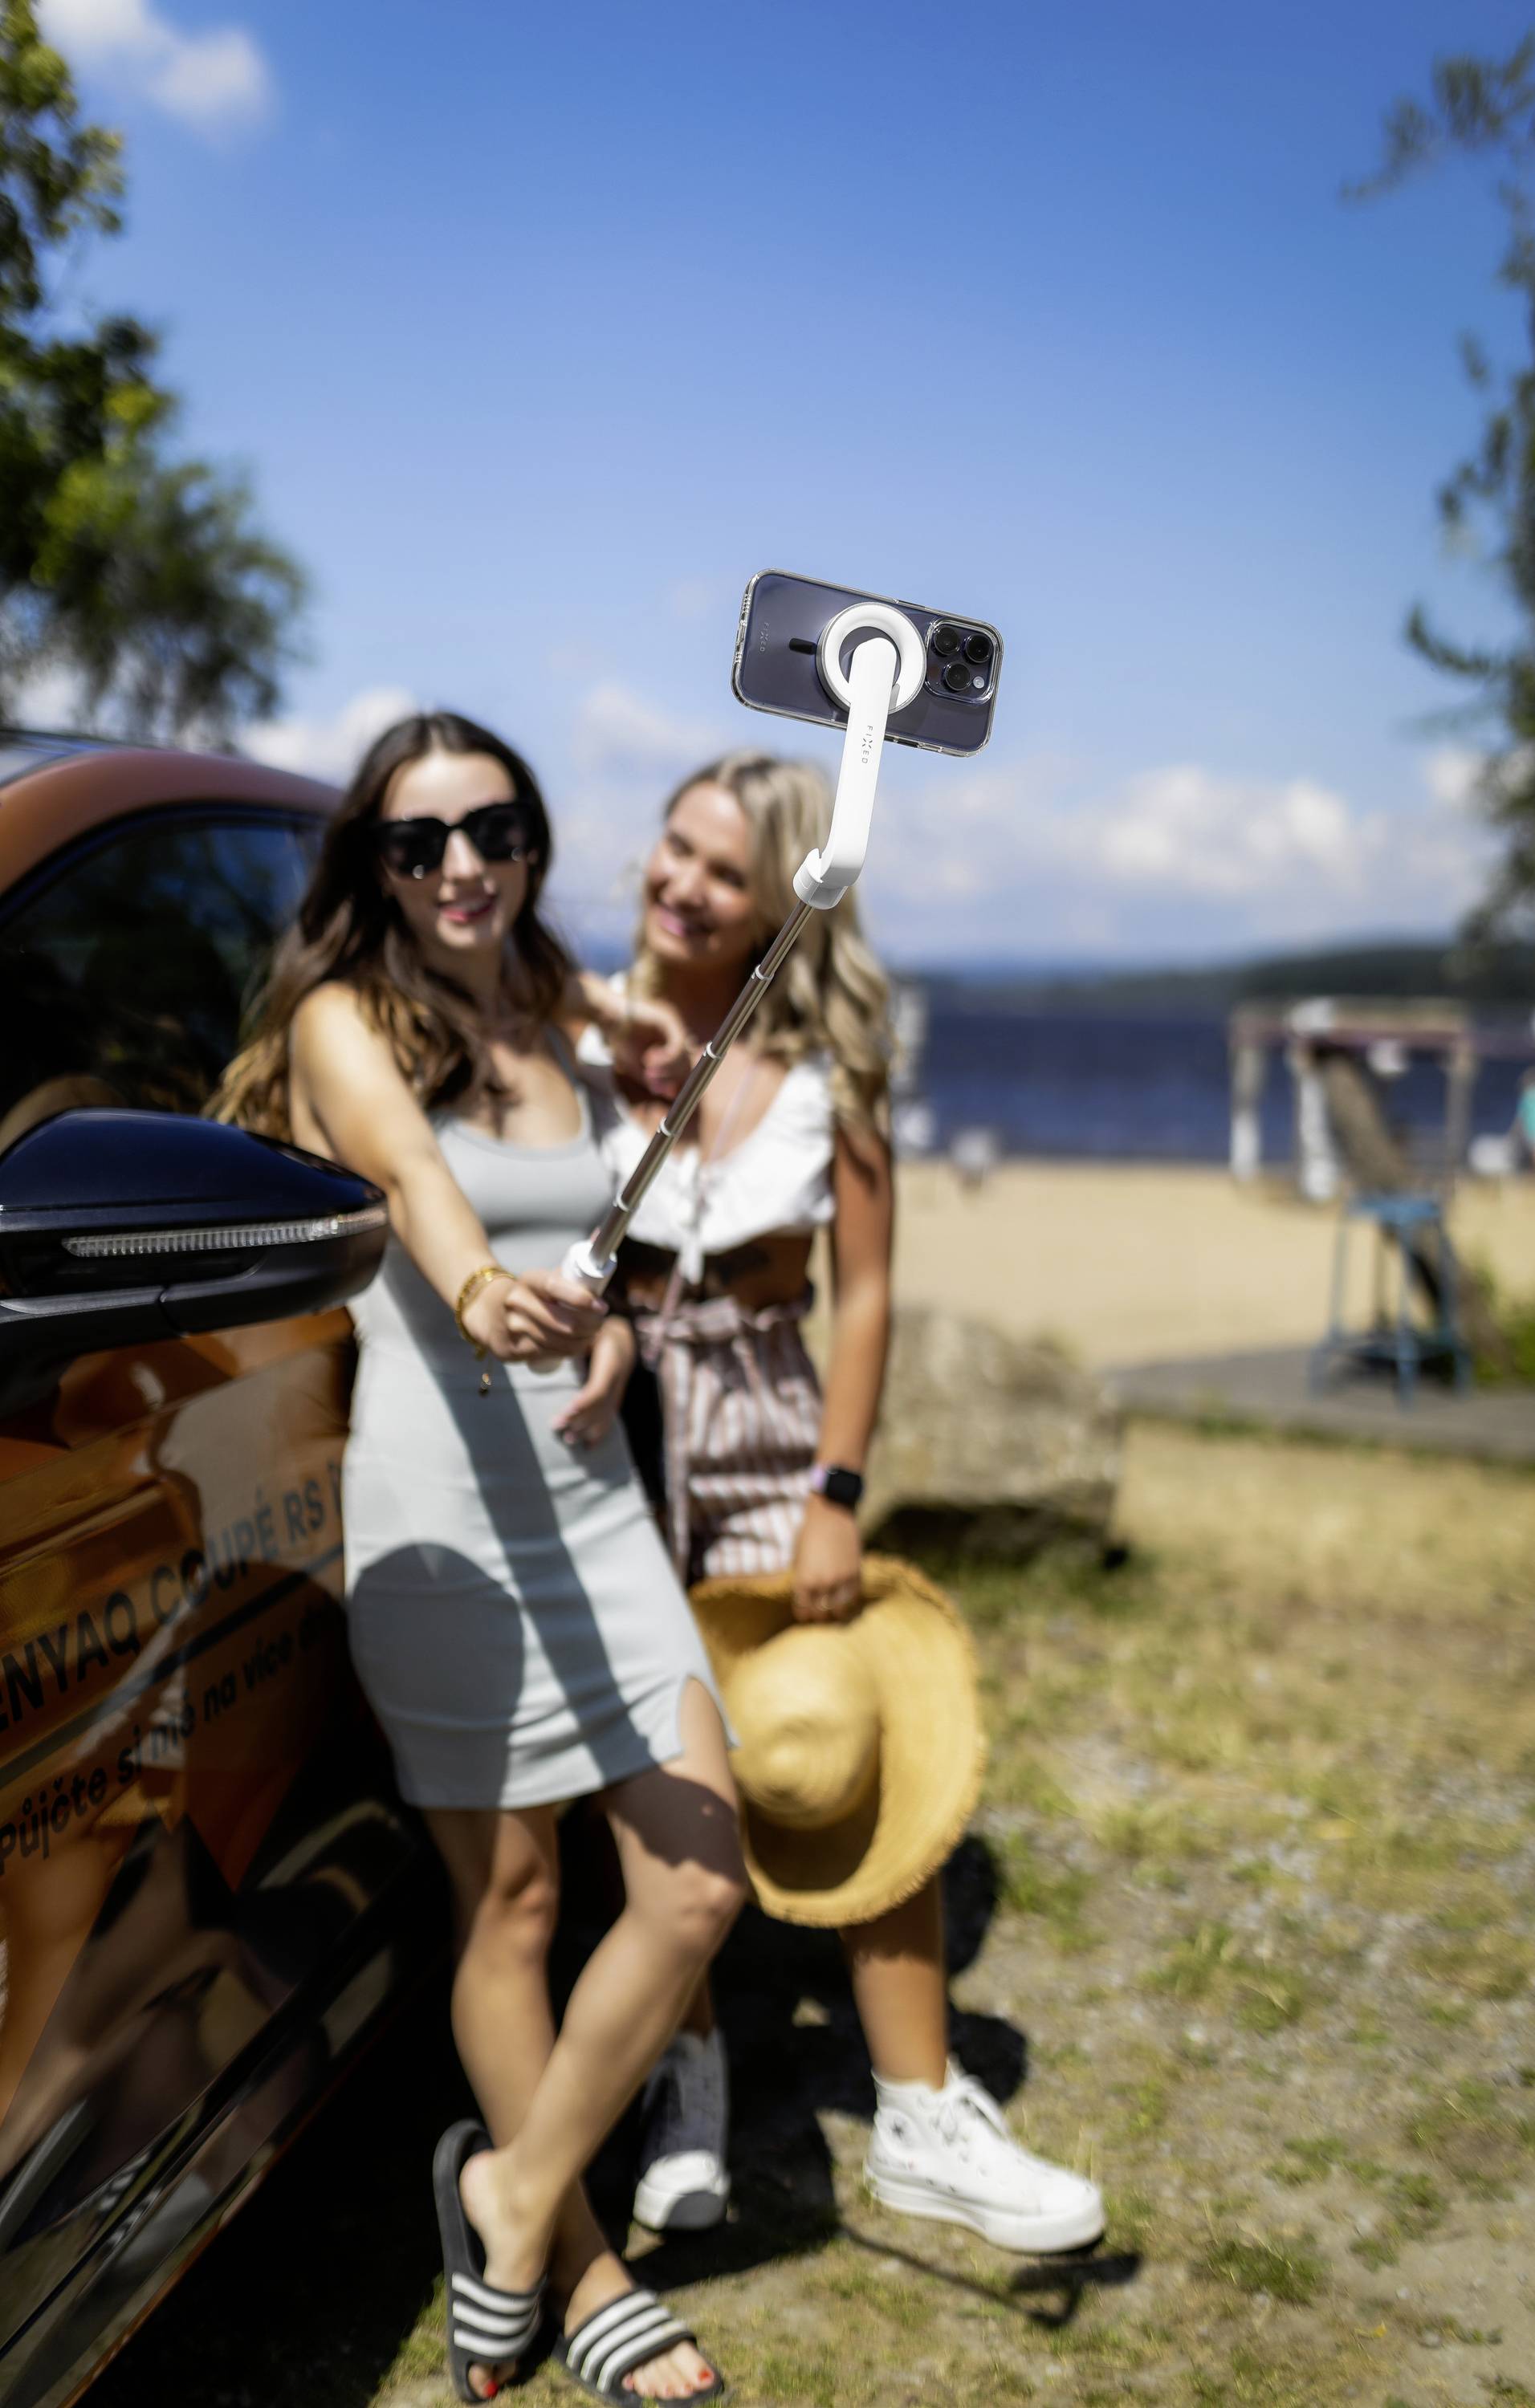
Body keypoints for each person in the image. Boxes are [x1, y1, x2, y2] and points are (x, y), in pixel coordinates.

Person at [213, 711, 743, 2406]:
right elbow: (421, 1183)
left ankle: (502, 2187)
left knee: (696, 1881)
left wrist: (609, 1330)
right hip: (443, 1520)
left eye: (493, 828)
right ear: (371, 866)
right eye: (420, 841)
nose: (463, 866)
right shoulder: (342, 1020)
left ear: (531, 840)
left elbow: (610, 1223)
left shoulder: (560, 1013)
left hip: (590, 1505)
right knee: (506, 1904)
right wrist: (481, 1297)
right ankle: (576, 2265)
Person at [596, 750, 1105, 2255]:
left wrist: (837, 1490)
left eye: (724, 872)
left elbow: (870, 1290)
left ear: (787, 902)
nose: (682, 886)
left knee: (846, 1741)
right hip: (607, 1428)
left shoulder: (838, 1059)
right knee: (654, 1765)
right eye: (672, 852)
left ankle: (924, 2109)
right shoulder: (575, 1032)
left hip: (761, 1415)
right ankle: (681, 2076)